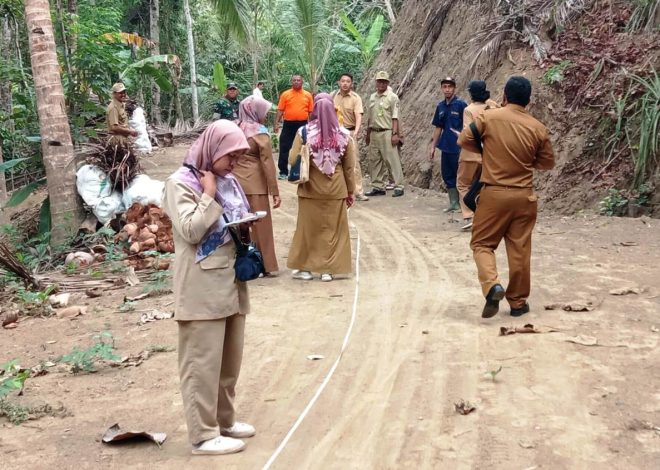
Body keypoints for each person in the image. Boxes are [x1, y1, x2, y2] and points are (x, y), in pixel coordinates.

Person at [162, 120, 256, 455]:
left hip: (230, 280)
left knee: (229, 360)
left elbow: (232, 222)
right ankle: (203, 435)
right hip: (201, 287)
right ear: (213, 148)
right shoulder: (180, 184)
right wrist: (209, 194)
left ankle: (225, 421)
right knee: (201, 363)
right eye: (231, 155)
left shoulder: (229, 182)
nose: (234, 163)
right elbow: (190, 230)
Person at [457, 76, 555, 319]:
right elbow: (547, 163)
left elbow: (463, 139)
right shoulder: (538, 127)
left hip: (494, 194)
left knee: (482, 244)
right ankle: (519, 303)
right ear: (528, 101)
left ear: (505, 97)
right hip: (524, 197)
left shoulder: (489, 117)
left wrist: (487, 149)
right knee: (520, 249)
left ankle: (492, 286)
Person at [287, 99, 356, 282]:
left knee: (308, 230)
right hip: (336, 189)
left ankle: (307, 269)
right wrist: (351, 191)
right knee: (333, 230)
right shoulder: (344, 134)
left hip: (310, 189)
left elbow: (293, 159)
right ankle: (328, 270)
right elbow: (349, 168)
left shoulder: (304, 132)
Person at [234, 95, 281, 275]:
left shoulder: (234, 128)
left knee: (239, 225)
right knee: (261, 226)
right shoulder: (259, 133)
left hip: (235, 185)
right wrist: (274, 191)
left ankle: (243, 265)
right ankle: (264, 265)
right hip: (256, 185)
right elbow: (267, 163)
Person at [457, 80, 499, 230]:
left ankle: (470, 215)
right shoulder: (492, 107)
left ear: (471, 93)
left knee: (463, 184)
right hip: (487, 154)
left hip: (469, 154)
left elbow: (468, 132)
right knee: (480, 185)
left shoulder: (469, 110)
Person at [429, 77, 468, 212]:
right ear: (441, 89)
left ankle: (465, 205)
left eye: (450, 87)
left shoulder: (461, 105)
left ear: (454, 88)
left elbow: (468, 126)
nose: (447, 89)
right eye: (444, 87)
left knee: (461, 175)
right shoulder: (440, 106)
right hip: (446, 146)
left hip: (459, 147)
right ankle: (453, 203)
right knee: (448, 175)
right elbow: (438, 128)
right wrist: (433, 146)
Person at [365, 71, 405, 198]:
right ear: (376, 82)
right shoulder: (372, 97)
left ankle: (399, 186)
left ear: (388, 83)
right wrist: (367, 133)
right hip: (374, 132)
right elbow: (369, 117)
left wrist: (395, 134)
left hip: (387, 132)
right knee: (374, 160)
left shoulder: (392, 97)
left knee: (392, 160)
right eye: (379, 81)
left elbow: (395, 117)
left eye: (384, 81)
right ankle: (378, 186)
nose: (381, 83)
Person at [333, 73, 369, 202]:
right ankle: (338, 190)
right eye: (343, 81)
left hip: (349, 132)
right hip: (335, 134)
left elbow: (358, 115)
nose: (345, 83)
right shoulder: (333, 96)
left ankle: (358, 191)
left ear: (351, 84)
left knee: (353, 162)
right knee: (335, 161)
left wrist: (356, 131)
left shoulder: (355, 98)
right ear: (339, 82)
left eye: (348, 81)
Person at [273, 74, 314, 179]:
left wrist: (312, 125)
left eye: (298, 80)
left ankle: (299, 170)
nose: (296, 82)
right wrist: (276, 123)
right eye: (294, 80)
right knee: (285, 146)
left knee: (303, 147)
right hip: (288, 124)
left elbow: (311, 112)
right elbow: (280, 110)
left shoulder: (308, 95)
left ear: (302, 82)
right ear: (292, 82)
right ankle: (283, 171)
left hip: (303, 124)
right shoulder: (285, 94)